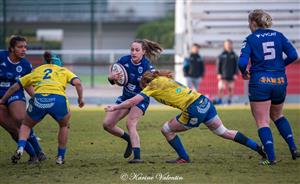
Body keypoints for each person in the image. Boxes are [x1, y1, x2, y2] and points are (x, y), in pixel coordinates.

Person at [105, 70, 266, 163]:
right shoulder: (163, 79)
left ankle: (183, 157)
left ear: (146, 83)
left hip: (193, 109)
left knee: (166, 129)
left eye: (143, 87)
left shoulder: (152, 86)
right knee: (224, 132)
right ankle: (258, 148)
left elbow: (134, 100)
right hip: (204, 102)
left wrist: (116, 106)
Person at [0, 51, 84, 164]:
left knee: (26, 125)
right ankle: (60, 157)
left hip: (39, 100)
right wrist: (80, 99)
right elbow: (78, 83)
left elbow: (15, 86)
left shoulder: (37, 70)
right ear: (58, 63)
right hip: (58, 100)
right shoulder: (63, 70)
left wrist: (3, 100)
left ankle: (20, 147)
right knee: (64, 125)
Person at [238, 9, 299, 165]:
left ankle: (271, 158)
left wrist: (244, 72)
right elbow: (293, 55)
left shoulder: (250, 39)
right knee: (278, 115)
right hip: (279, 80)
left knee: (263, 121)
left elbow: (242, 62)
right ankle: (293, 148)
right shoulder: (278, 35)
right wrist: (279, 66)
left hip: (260, 81)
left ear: (253, 23)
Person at [103, 39, 162, 163]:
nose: (133, 52)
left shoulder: (147, 66)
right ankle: (129, 139)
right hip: (126, 98)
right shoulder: (124, 60)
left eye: (137, 50)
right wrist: (111, 77)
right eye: (132, 50)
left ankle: (137, 157)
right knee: (107, 124)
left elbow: (153, 86)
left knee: (130, 123)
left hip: (140, 99)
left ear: (143, 52)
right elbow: (113, 70)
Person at [0, 35, 45, 164]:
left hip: (15, 94)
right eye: (20, 47)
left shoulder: (26, 65)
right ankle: (32, 155)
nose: (24, 49)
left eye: (25, 47)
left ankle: (39, 151)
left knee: (21, 120)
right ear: (11, 49)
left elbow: (27, 84)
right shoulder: (1, 57)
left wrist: (37, 98)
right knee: (12, 130)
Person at [215, 39, 239, 105]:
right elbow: (218, 65)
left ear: (231, 45)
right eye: (227, 44)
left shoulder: (234, 55)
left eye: (229, 44)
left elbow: (236, 65)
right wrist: (218, 73)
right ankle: (219, 101)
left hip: (231, 75)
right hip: (223, 75)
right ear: (224, 45)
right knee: (221, 88)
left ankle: (229, 101)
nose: (228, 45)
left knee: (230, 89)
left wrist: (236, 74)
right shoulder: (221, 55)